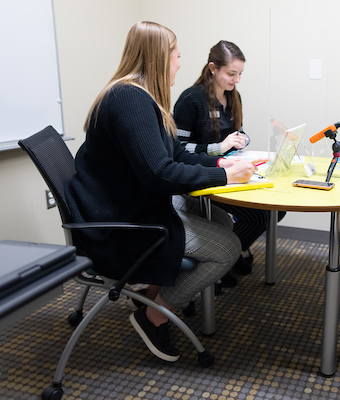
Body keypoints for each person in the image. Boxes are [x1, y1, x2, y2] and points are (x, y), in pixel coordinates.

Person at [65, 21, 264, 362]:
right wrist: (225, 179)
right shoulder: (130, 100)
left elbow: (177, 155)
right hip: (120, 223)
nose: (180, 63)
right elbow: (160, 173)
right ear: (159, 57)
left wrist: (221, 167)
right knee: (227, 248)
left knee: (221, 219)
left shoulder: (142, 98)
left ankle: (155, 290)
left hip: (131, 203)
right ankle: (153, 314)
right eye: (177, 55)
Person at [173, 41, 286, 286]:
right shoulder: (190, 100)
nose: (236, 80)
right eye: (231, 74)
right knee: (257, 218)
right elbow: (178, 150)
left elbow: (237, 135)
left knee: (276, 210)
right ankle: (227, 258)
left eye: (240, 74)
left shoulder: (234, 97)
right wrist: (220, 148)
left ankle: (231, 255)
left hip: (229, 169)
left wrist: (241, 140)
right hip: (203, 176)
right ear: (213, 68)